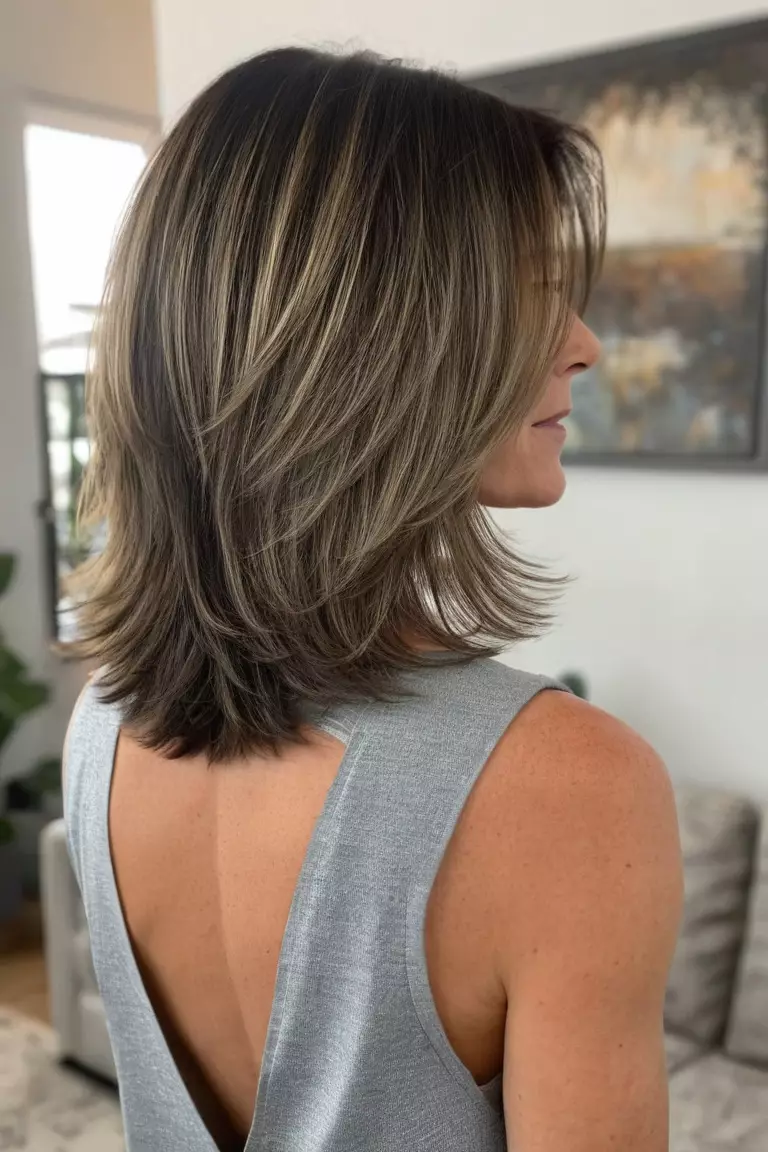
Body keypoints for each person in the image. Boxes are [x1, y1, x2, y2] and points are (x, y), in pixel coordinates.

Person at [63, 48, 683, 1152]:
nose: (583, 345)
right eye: (536, 292)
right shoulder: (568, 787)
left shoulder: (102, 720)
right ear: (380, 338)